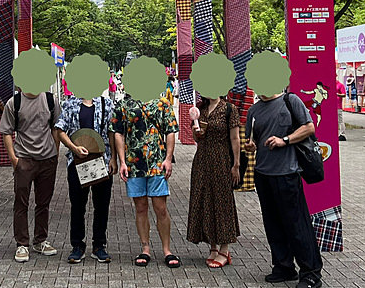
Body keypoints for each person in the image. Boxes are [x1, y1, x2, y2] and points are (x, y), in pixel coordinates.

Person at [245, 92, 323, 288]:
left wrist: (285, 140)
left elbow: (309, 127)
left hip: (287, 173)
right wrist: (250, 146)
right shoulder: (253, 110)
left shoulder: (290, 100)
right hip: (262, 173)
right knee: (272, 224)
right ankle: (283, 267)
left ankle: (311, 273)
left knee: (297, 225)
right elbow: (253, 141)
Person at [111, 93, 180, 269]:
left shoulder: (162, 103)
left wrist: (168, 158)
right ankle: (145, 248)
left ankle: (167, 250)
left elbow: (170, 131)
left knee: (161, 208)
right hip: (134, 164)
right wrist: (122, 161)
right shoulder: (123, 104)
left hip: (157, 163)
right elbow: (118, 133)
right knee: (140, 207)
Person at [0, 88, 62, 263]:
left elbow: (57, 128)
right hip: (24, 158)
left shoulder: (50, 100)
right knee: (21, 202)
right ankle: (22, 243)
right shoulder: (14, 102)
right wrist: (14, 159)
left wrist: (55, 152)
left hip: (47, 159)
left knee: (44, 202)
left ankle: (40, 240)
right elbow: (6, 131)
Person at [55, 93, 116, 264]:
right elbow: (60, 130)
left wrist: (114, 158)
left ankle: (99, 246)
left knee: (101, 206)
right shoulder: (71, 103)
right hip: (77, 161)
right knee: (77, 205)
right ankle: (77, 246)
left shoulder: (106, 104)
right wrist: (74, 147)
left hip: (101, 160)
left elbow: (112, 132)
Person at [186, 94, 240, 269]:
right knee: (205, 202)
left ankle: (225, 249)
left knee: (222, 202)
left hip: (221, 160)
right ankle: (213, 247)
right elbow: (197, 139)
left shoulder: (229, 109)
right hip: (202, 161)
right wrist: (196, 132)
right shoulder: (200, 109)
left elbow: (235, 138)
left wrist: (236, 164)